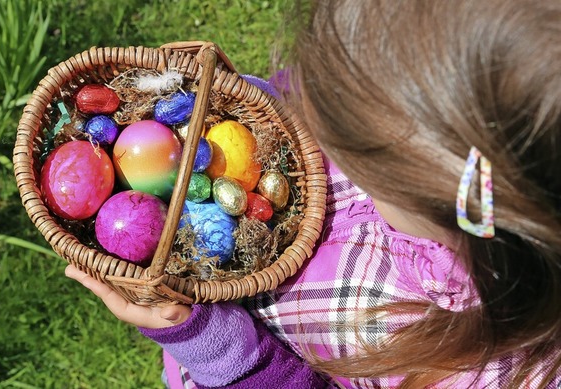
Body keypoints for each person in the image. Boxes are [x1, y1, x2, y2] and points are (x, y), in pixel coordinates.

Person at [64, 0, 561, 387]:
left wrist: (213, 347)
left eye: (337, 119)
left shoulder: (492, 370)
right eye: (328, 92)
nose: (317, 118)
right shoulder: (407, 89)